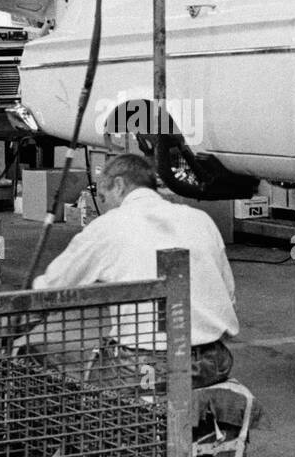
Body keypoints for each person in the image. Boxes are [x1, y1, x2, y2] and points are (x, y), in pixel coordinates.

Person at [32, 152, 238, 387]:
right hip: (213, 362)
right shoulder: (201, 220)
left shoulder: (107, 227)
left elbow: (50, 291)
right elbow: (229, 296)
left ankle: (95, 419)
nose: (104, 205)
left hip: (146, 368)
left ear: (118, 185)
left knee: (38, 353)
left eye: (103, 196)